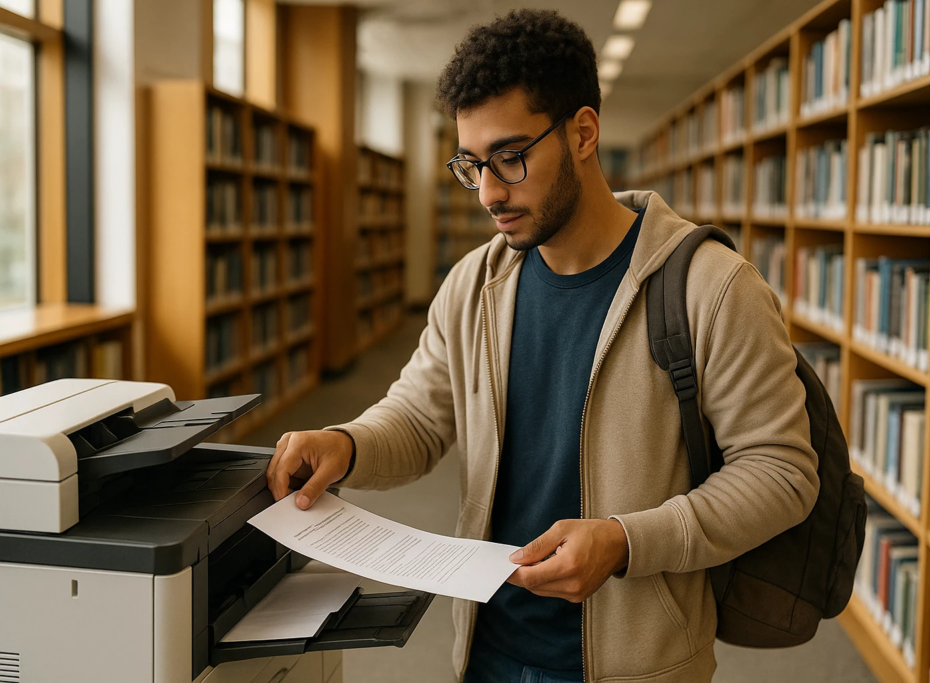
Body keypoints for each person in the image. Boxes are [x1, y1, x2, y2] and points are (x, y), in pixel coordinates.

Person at [267, 9, 819, 683]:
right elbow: (418, 416)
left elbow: (782, 472)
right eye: (472, 165)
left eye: (510, 157)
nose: (490, 193)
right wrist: (346, 443)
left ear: (583, 132)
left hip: (633, 664)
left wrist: (624, 540)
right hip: (486, 647)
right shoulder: (474, 284)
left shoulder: (713, 287)